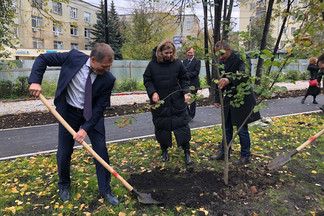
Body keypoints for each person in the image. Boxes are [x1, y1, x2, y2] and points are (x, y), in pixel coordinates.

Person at [28, 43, 119, 205]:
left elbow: (100, 107)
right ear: (92, 59)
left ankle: (106, 190)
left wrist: (85, 129)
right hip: (68, 113)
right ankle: (64, 186)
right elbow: (43, 58)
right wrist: (35, 80)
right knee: (64, 152)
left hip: (92, 116)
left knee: (101, 152)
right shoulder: (72, 57)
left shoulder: (108, 79)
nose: (107, 70)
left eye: (109, 67)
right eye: (104, 66)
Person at [210, 40, 261, 165]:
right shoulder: (220, 62)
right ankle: (224, 152)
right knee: (226, 127)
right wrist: (217, 98)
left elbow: (244, 74)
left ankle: (245, 155)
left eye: (222, 54)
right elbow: (218, 80)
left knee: (241, 128)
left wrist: (229, 79)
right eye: (218, 55)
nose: (220, 58)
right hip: (228, 99)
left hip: (242, 98)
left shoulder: (241, 57)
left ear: (228, 50)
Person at [143, 40, 192, 165]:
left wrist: (186, 92)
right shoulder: (152, 65)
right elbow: (147, 80)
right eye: (166, 53)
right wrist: (153, 92)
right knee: (162, 127)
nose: (169, 55)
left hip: (177, 101)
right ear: (160, 52)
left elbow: (184, 78)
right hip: (160, 102)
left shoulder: (177, 63)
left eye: (171, 52)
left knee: (182, 126)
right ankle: (164, 151)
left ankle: (186, 151)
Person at [183, 47, 201, 120]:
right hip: (185, 84)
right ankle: (187, 114)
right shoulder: (184, 62)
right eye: (188, 52)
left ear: (193, 53)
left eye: (191, 52)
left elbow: (196, 72)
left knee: (193, 101)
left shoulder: (197, 61)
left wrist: (186, 75)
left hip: (194, 84)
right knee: (185, 100)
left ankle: (191, 115)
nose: (190, 54)